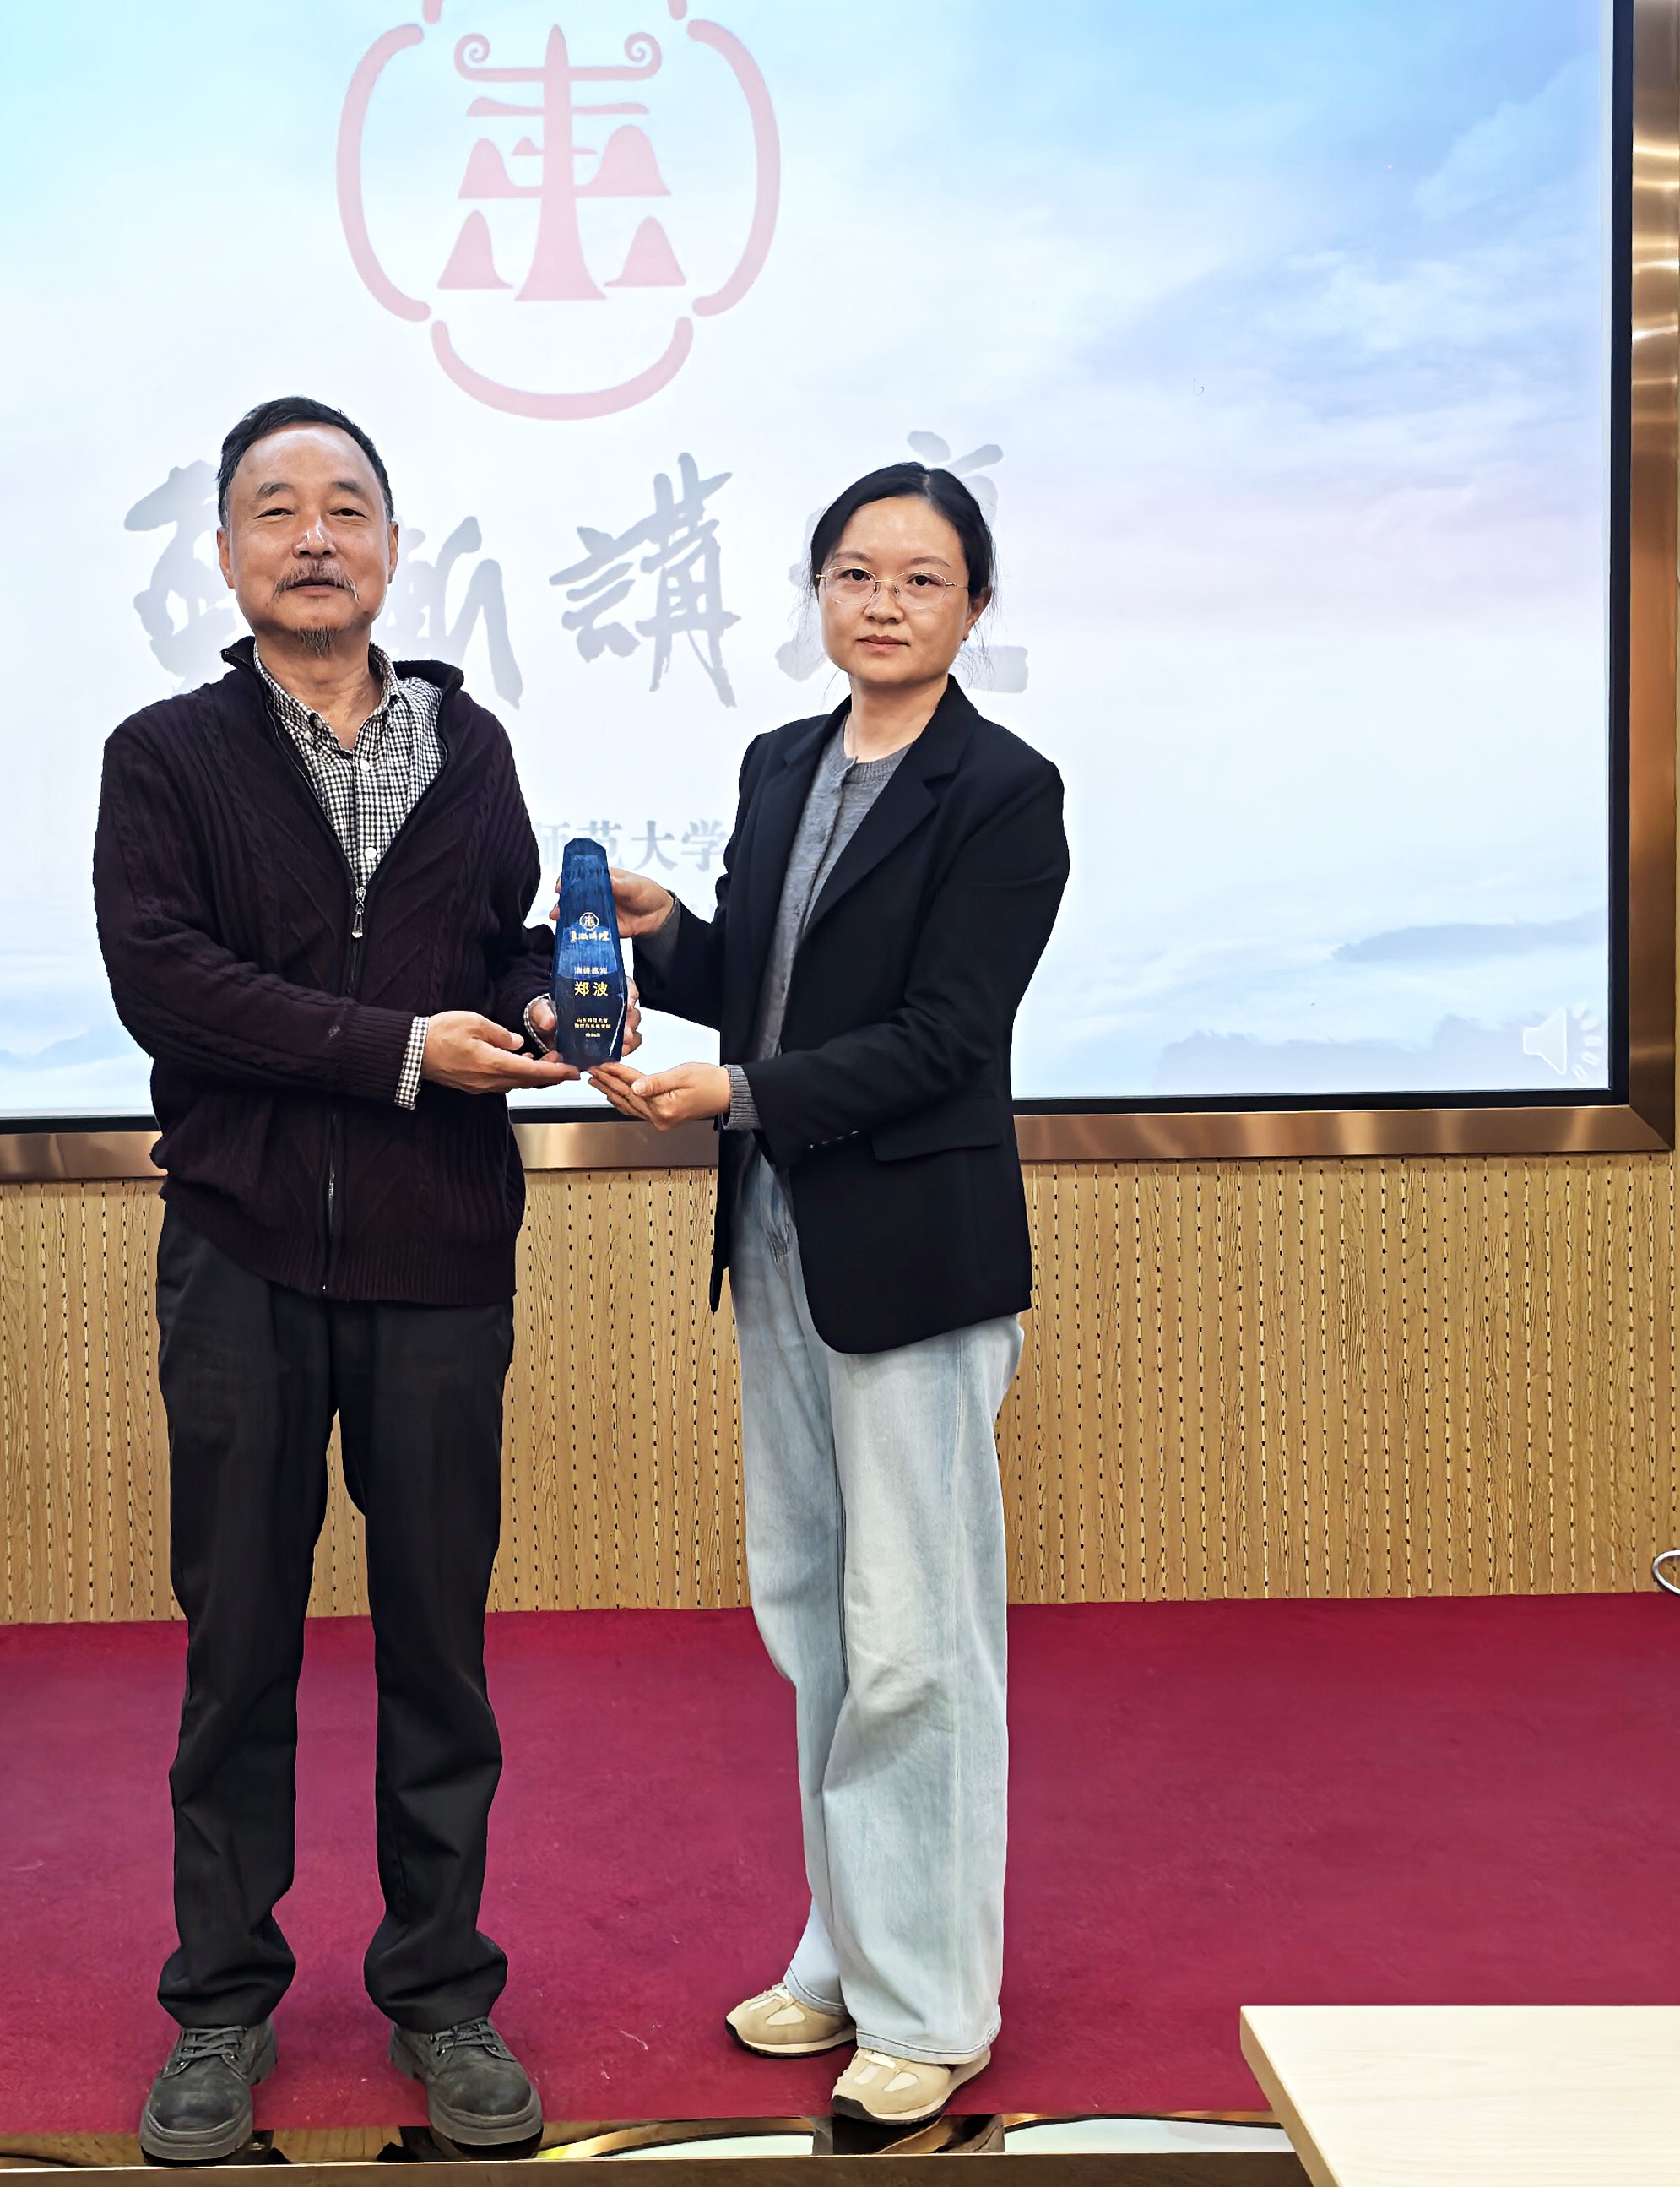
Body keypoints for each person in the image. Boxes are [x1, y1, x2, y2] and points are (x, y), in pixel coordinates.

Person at [94, 395, 590, 2161]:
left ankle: (441, 1990)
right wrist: (394, 1051)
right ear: (225, 551)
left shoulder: (474, 746)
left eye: (347, 506)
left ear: (392, 544)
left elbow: (494, 939)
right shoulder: (165, 755)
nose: (314, 535)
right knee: (236, 1644)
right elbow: (165, 982)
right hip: (239, 1250)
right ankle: (219, 2005)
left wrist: (545, 998)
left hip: (440, 1253)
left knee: (438, 1644)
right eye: (275, 507)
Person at [592, 460, 1067, 2129]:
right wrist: (673, 937)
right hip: (783, 1232)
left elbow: (946, 1036)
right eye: (855, 573)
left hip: (915, 1257)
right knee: (811, 1615)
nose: (882, 603)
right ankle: (850, 1952)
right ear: (817, 591)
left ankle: (932, 2006)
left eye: (921, 579)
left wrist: (734, 1093)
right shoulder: (781, 762)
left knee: (915, 1637)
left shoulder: (1003, 791)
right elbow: (776, 984)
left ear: (974, 609)